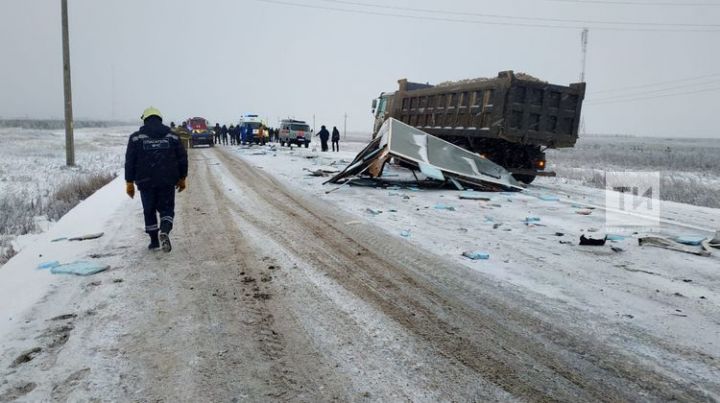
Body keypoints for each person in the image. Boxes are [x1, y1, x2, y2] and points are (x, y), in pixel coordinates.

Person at [124, 107, 188, 252]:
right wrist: (182, 177)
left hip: (145, 182)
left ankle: (154, 241)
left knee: (149, 210)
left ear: (145, 120)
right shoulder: (172, 136)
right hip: (167, 180)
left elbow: (130, 161)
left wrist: (129, 181)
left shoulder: (135, 138)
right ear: (160, 119)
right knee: (166, 209)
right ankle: (164, 230)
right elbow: (182, 158)